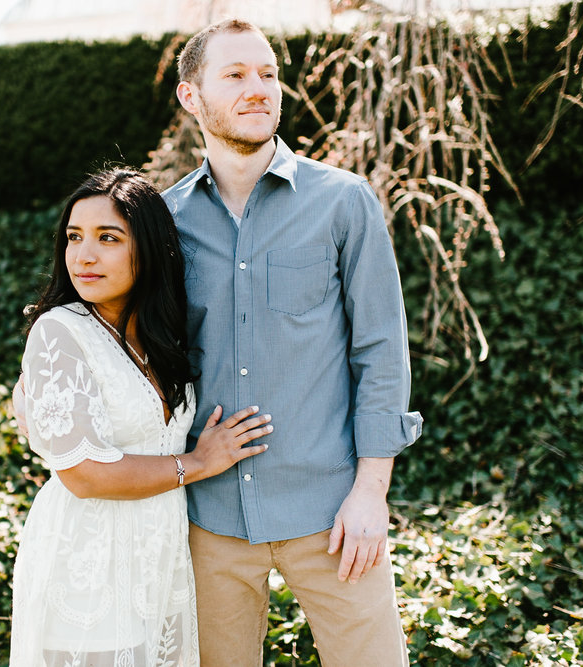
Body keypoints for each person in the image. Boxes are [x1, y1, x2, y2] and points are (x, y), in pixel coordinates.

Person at [161, 19, 424, 667]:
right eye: (236, 75)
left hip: (333, 516)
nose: (259, 89)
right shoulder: (163, 221)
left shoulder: (343, 203)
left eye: (269, 74)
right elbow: (133, 350)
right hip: (210, 521)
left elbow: (381, 351)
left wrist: (372, 491)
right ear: (191, 96)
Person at [9, 167, 272, 667]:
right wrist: (198, 463)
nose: (84, 255)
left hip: (158, 559)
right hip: (88, 563)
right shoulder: (60, 330)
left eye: (108, 238)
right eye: (74, 237)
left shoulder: (159, 334)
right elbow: (84, 474)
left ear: (148, 249)